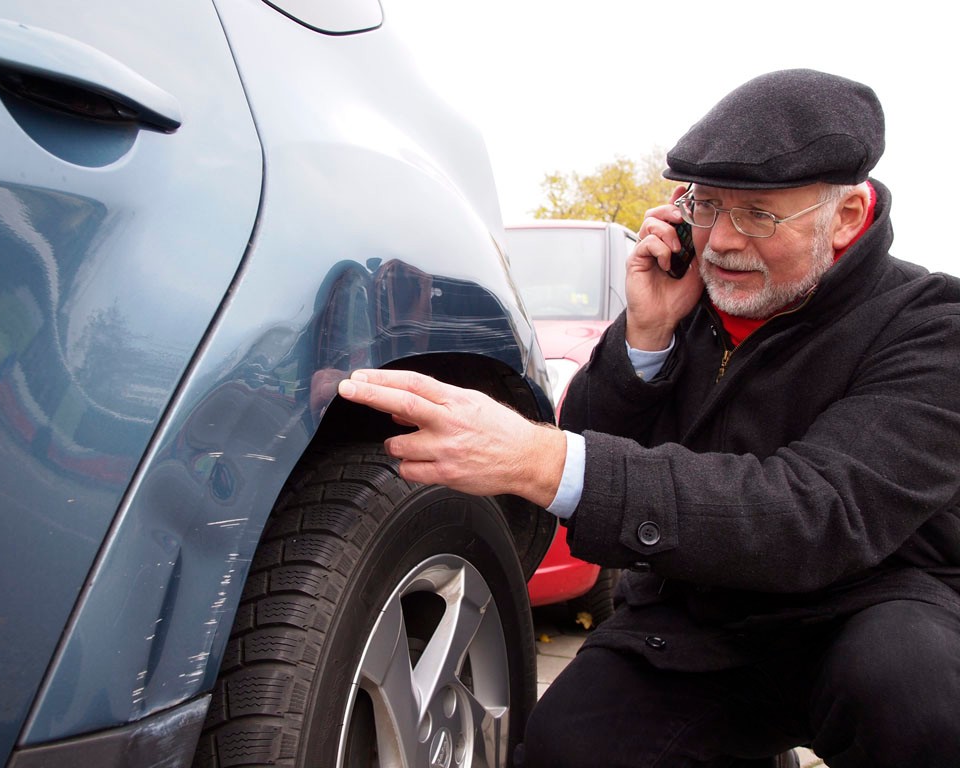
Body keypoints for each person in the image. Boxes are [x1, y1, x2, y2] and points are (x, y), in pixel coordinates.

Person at [337, 69, 960, 767]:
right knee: (568, 745)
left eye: (756, 215)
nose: (720, 241)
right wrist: (645, 338)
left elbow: (816, 513)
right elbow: (595, 459)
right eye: (705, 205)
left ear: (845, 216)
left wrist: (543, 459)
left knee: (917, 697)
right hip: (701, 619)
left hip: (869, 612)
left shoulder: (931, 326)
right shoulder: (684, 299)